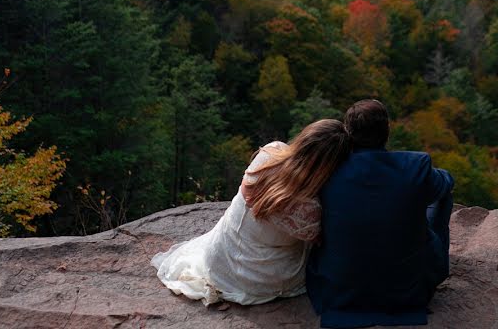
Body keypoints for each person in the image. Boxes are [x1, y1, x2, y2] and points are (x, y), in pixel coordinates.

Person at [152, 119, 351, 306]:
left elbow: (248, 192)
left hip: (220, 259)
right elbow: (319, 241)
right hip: (264, 279)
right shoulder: (311, 209)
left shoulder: (270, 153)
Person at [306, 99, 454, 328]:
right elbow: (446, 183)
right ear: (387, 131)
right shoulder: (416, 166)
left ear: (349, 133)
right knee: (441, 196)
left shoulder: (328, 169)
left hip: (339, 288)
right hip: (406, 291)